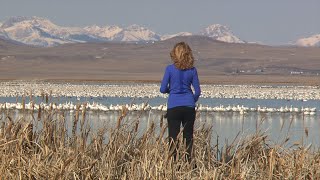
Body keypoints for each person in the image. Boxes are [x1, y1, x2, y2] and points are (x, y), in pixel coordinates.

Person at [160, 42, 201, 162]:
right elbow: (197, 91)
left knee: (173, 138)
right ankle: (190, 164)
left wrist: (172, 91)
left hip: (174, 106)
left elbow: (162, 89)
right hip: (189, 107)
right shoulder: (192, 70)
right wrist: (190, 101)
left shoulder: (169, 69)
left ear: (174, 54)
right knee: (188, 137)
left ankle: (174, 165)